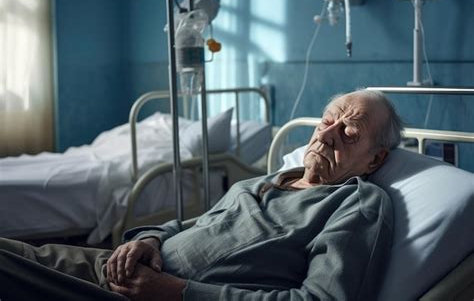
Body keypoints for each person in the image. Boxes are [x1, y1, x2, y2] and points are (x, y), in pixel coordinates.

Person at [0, 88, 403, 301]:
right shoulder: (263, 183)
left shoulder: (357, 203)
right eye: (327, 121)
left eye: (348, 134)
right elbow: (188, 225)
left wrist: (180, 294)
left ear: (374, 160)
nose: (326, 134)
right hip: (117, 267)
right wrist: (148, 238)